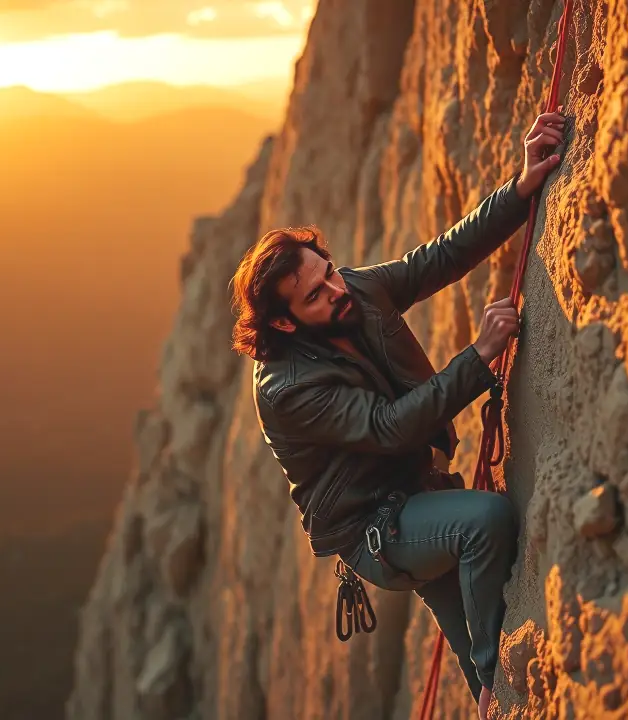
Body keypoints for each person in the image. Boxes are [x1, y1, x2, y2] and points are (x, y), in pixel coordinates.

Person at [228, 110, 565, 718]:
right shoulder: (285, 390)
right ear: (282, 322)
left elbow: (436, 259)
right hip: (375, 531)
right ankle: (503, 690)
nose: (335, 290)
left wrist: (521, 188)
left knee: (467, 641)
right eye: (315, 294)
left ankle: (490, 695)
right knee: (482, 522)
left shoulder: (351, 292)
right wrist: (480, 355)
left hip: (415, 494)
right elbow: (387, 427)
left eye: (327, 272)